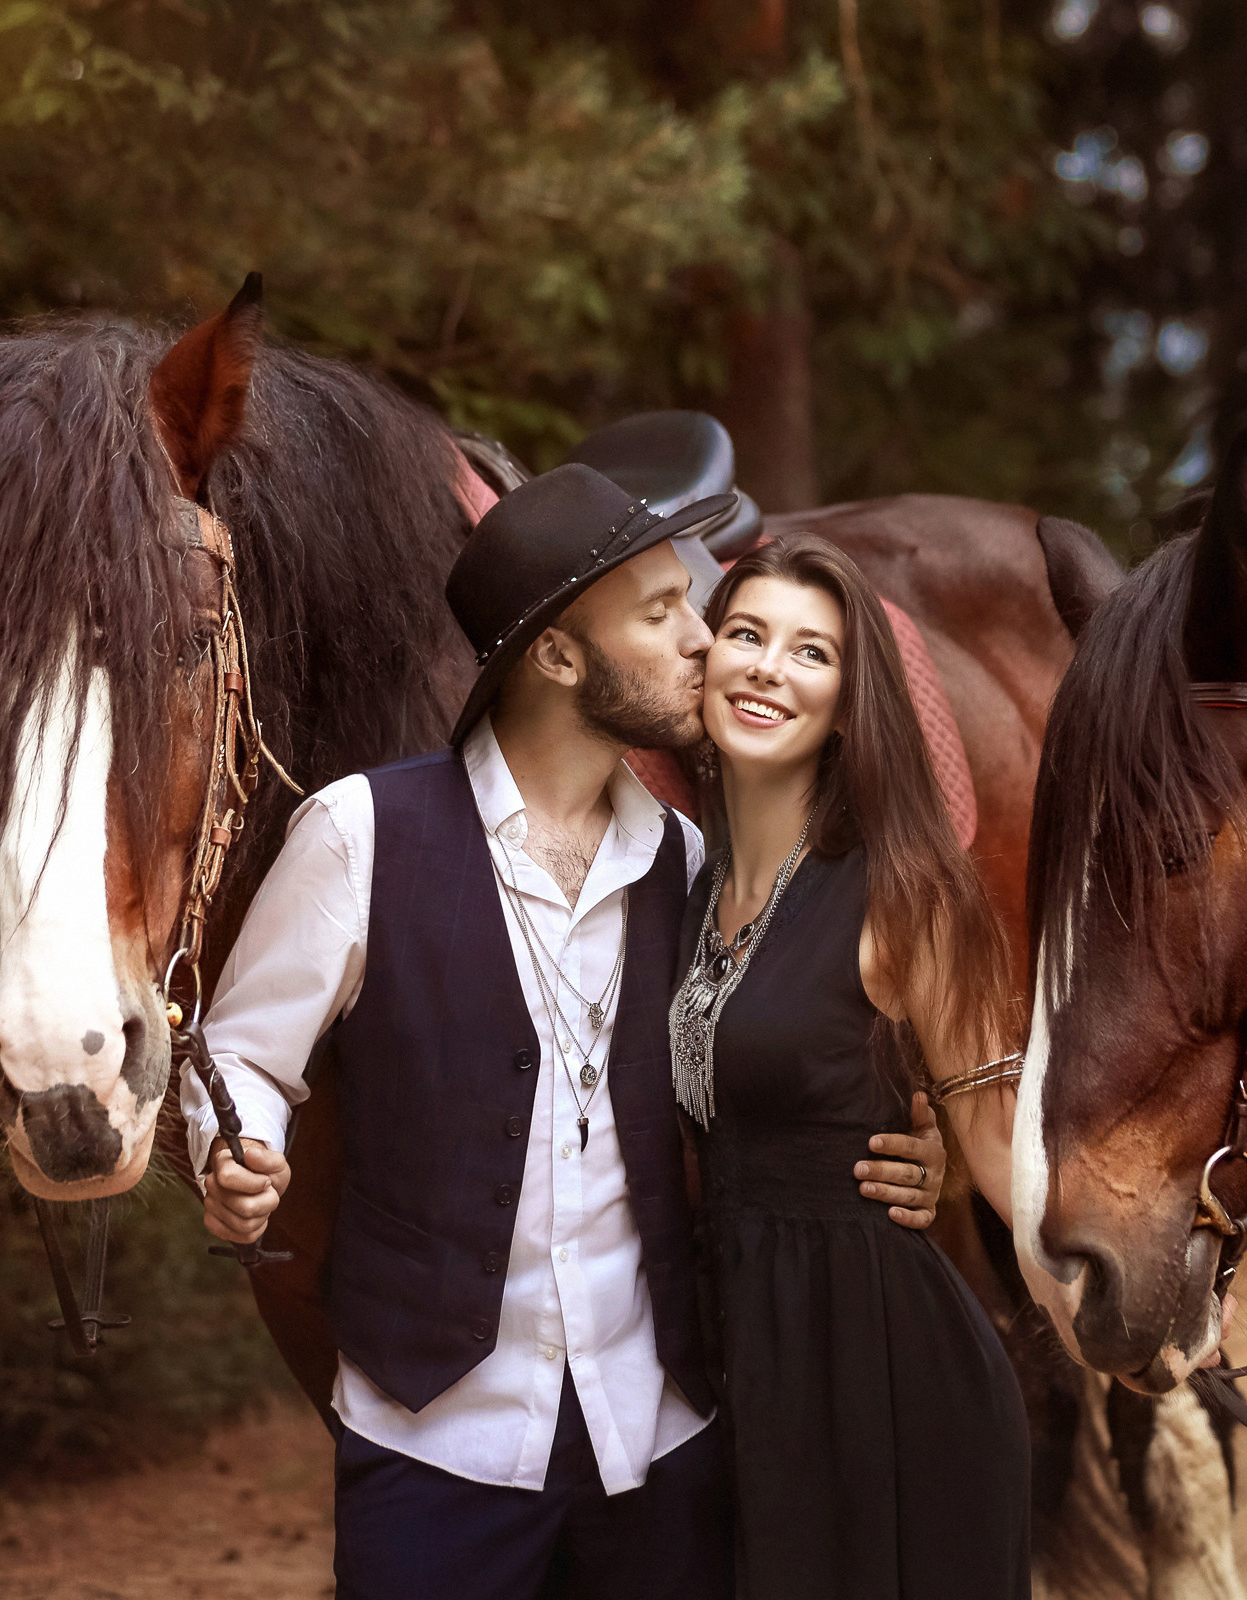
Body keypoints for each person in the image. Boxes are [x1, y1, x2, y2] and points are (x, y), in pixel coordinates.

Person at [180, 464, 949, 1600]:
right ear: (555, 656)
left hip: (661, 1436)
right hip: (430, 1441)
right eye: (660, 613)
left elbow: (770, 1076)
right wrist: (231, 1145)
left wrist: (903, 1157)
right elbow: (241, 1051)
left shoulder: (689, 863)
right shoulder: (360, 833)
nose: (704, 640)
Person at [671, 532, 1031, 1600]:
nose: (769, 668)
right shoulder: (683, 886)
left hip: (887, 1376)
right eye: (745, 634)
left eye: (811, 652)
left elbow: (1004, 1152)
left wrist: (1139, 1294)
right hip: (738, 1358)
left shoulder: (907, 894)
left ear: (848, 700)